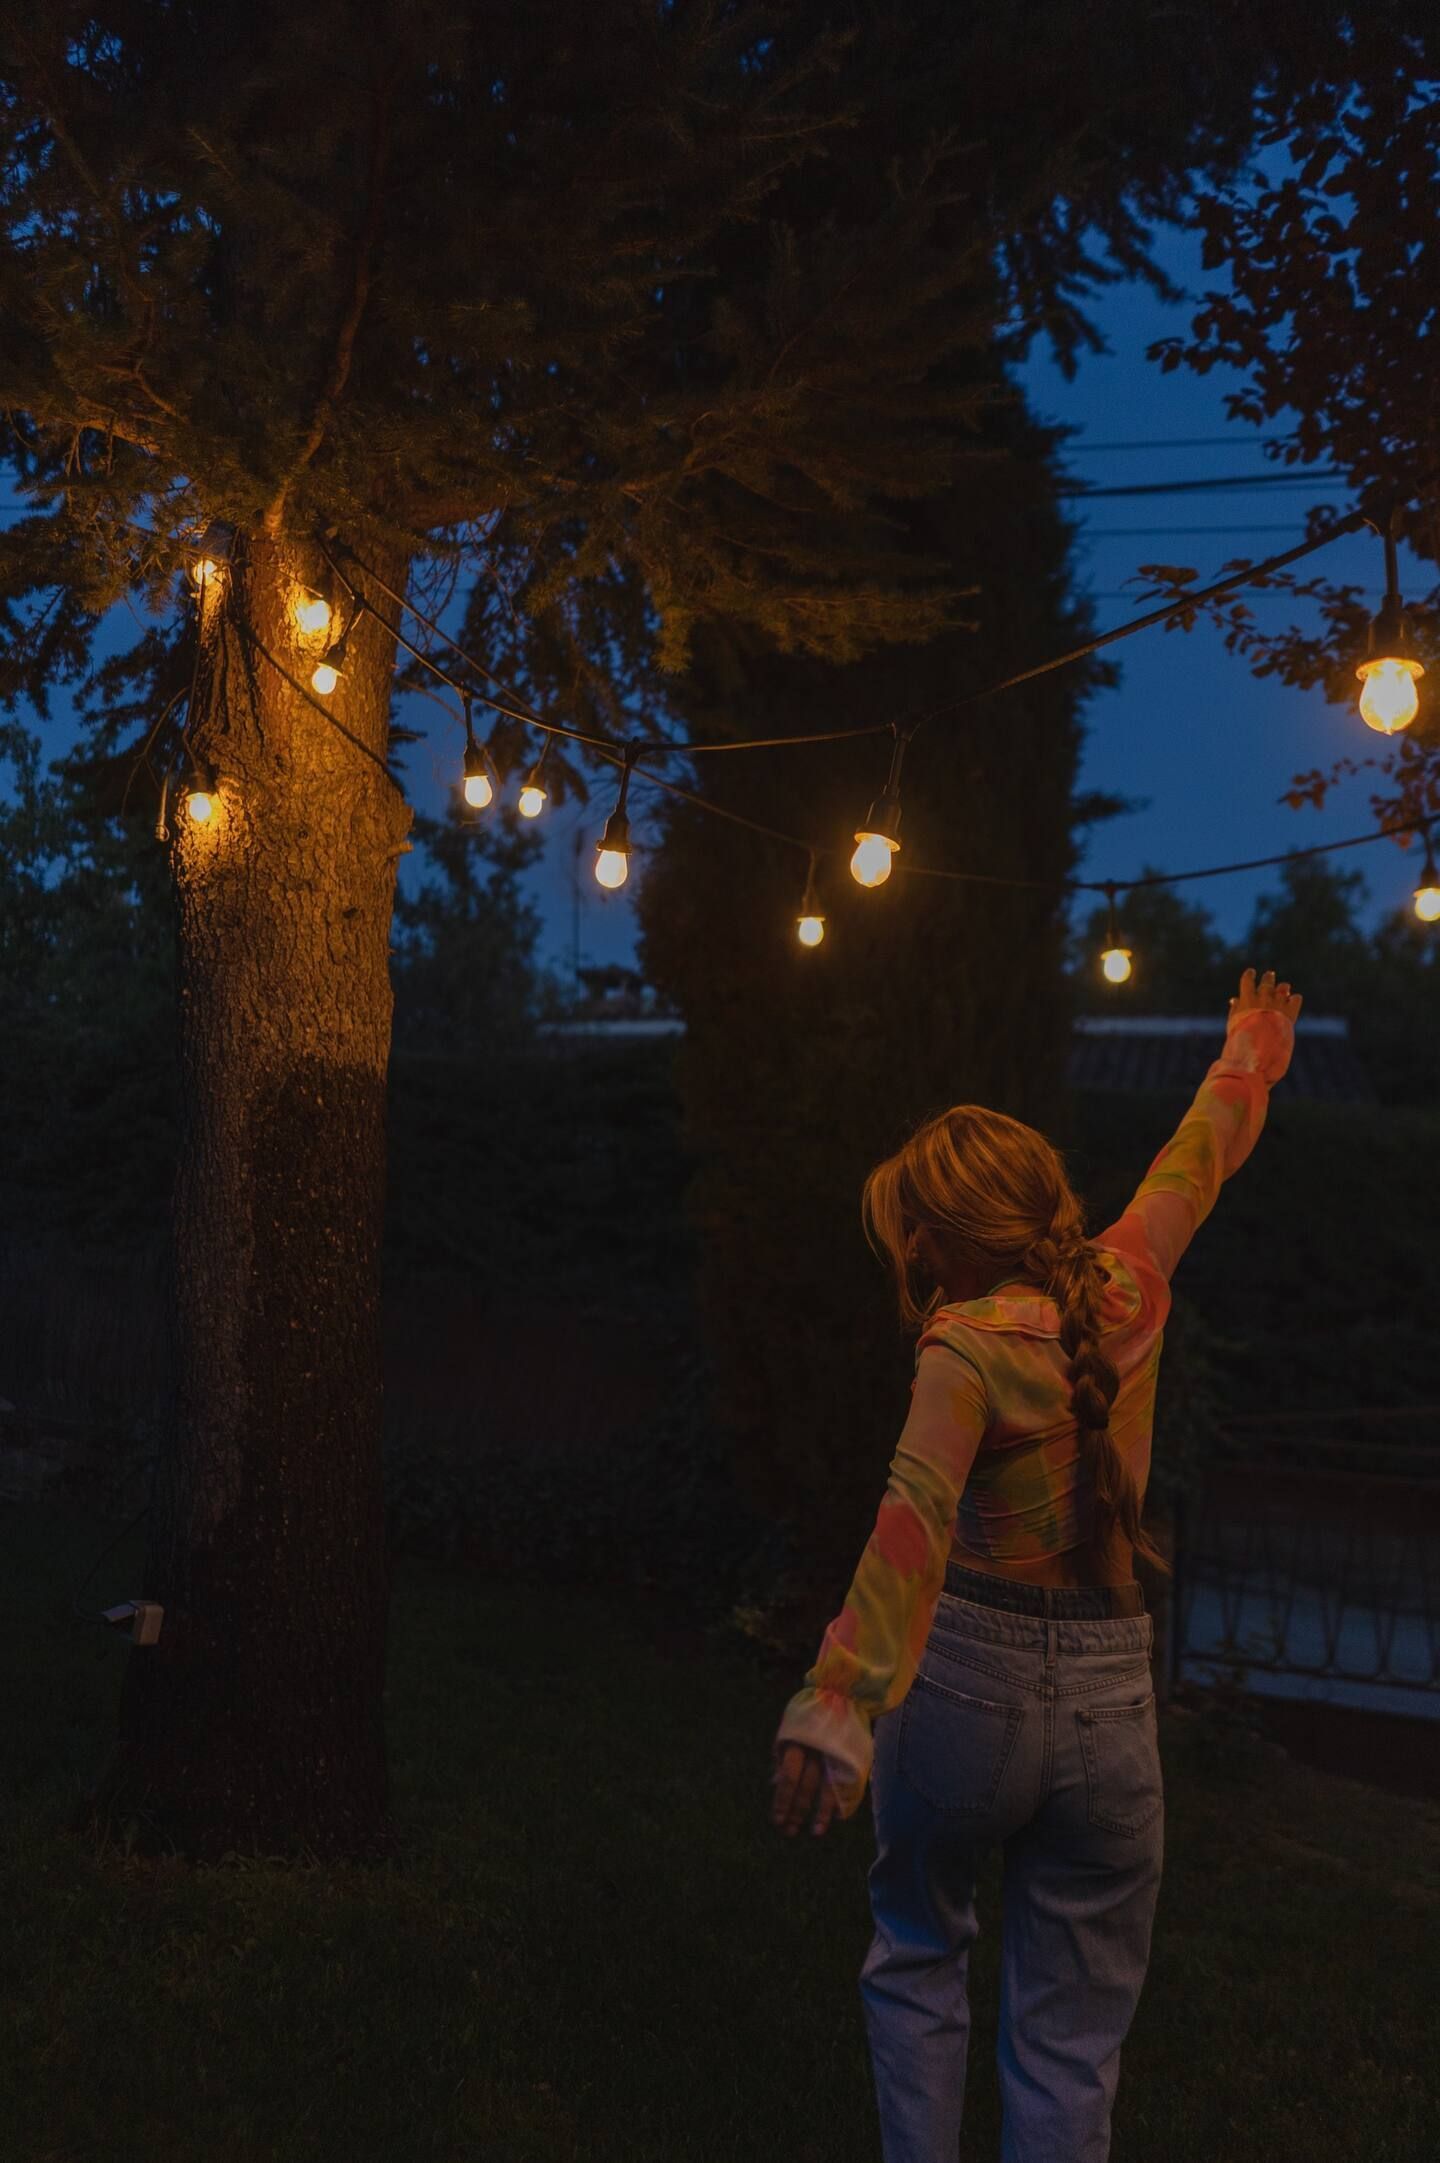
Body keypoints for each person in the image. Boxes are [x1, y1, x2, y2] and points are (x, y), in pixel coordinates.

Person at [769, 966, 1303, 2163]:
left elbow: (913, 1515)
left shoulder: (962, 1346)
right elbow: (1196, 1158)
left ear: (932, 1237)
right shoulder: (1132, 1284)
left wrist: (839, 1704)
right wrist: (1253, 1045)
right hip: (1115, 1705)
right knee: (1070, 2044)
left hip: (964, 1688)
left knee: (918, 1954)